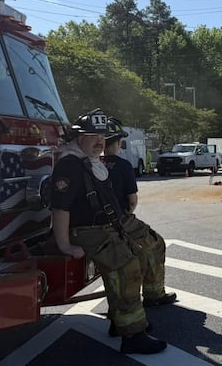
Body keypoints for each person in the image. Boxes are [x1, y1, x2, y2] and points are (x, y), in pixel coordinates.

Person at [51, 108, 167, 355]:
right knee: (126, 267)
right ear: (79, 137)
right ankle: (133, 335)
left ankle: (122, 319)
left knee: (144, 250)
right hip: (88, 230)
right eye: (93, 135)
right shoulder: (69, 165)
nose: (100, 141)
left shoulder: (91, 162)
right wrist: (64, 246)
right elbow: (60, 209)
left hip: (111, 223)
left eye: (102, 136)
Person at [102, 117, 176, 337]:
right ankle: (154, 296)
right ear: (116, 143)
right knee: (155, 243)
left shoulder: (92, 164)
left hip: (95, 224)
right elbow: (132, 200)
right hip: (121, 220)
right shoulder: (123, 165)